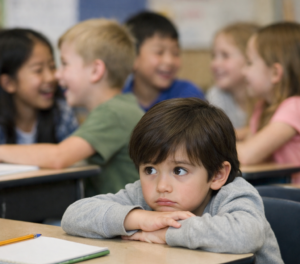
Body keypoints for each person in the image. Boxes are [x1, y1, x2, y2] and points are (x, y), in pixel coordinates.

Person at [62, 97, 295, 264]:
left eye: (179, 171)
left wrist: (164, 232)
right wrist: (137, 218)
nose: (162, 186)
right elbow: (74, 215)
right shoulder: (145, 198)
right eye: (150, 170)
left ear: (217, 174)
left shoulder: (233, 193)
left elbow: (246, 234)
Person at [0, 19, 144, 196]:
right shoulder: (115, 109)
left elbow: (59, 157)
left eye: (64, 64)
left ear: (95, 71)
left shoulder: (114, 112)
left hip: (127, 218)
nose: (57, 75)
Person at [237, 22, 300, 184]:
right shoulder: (262, 107)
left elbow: (247, 154)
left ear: (275, 73)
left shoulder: (294, 107)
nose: (243, 71)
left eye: (249, 63)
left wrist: (207, 143)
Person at [0, 28, 78, 144]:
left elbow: (74, 157)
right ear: (9, 83)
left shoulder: (62, 115)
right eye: (38, 70)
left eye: (52, 66)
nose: (51, 77)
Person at [123, 11, 205, 111]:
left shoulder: (187, 97)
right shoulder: (119, 100)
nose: (169, 61)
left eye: (175, 53)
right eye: (159, 52)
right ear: (133, 57)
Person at [206, 22, 258, 140]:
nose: (215, 63)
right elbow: (215, 136)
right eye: (213, 56)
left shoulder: (264, 97)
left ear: (249, 59)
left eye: (225, 55)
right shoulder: (216, 95)